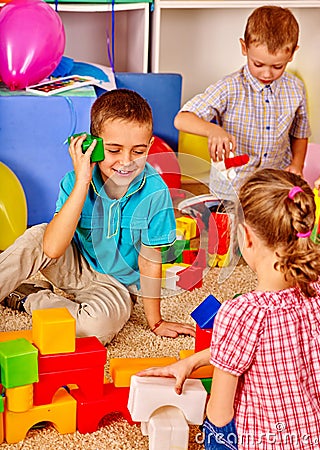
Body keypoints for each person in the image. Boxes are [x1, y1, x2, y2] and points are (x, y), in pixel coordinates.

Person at [138, 168, 320, 450]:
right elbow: (278, 346)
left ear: (245, 236)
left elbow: (220, 415)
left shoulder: (242, 312)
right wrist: (193, 361)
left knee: (215, 428)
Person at [0, 89, 195, 345]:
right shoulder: (74, 181)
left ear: (149, 146)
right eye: (114, 150)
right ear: (96, 144)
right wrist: (82, 180)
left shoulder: (155, 192)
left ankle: (29, 297)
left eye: (138, 152)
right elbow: (53, 247)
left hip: (116, 285)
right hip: (73, 263)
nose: (126, 162)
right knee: (37, 236)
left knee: (94, 329)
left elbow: (150, 260)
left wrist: (155, 321)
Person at [175, 6, 311, 202]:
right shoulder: (229, 87)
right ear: (244, 47)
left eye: (277, 66)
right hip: (233, 187)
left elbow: (300, 133)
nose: (267, 73)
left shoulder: (296, 89)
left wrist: (297, 165)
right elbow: (182, 119)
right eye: (258, 64)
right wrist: (212, 130)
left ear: (292, 54)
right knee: (231, 230)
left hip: (273, 186)